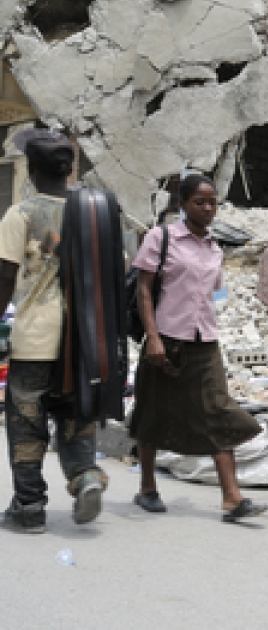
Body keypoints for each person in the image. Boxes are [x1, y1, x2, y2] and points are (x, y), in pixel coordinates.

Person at [129, 174, 268, 522]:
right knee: (153, 412)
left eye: (212, 203)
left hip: (204, 342)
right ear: (182, 203)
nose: (207, 209)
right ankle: (147, 487)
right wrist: (154, 337)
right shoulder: (161, 238)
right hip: (166, 339)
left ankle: (232, 499)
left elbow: (210, 294)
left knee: (217, 409)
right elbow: (143, 290)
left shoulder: (216, 248)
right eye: (199, 202)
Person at [0, 129, 108, 533]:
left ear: (31, 167)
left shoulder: (21, 215)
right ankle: (86, 477)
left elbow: (5, 279)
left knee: (27, 423)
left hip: (36, 337)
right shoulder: (97, 212)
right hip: (85, 340)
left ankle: (29, 507)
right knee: (76, 416)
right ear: (69, 169)